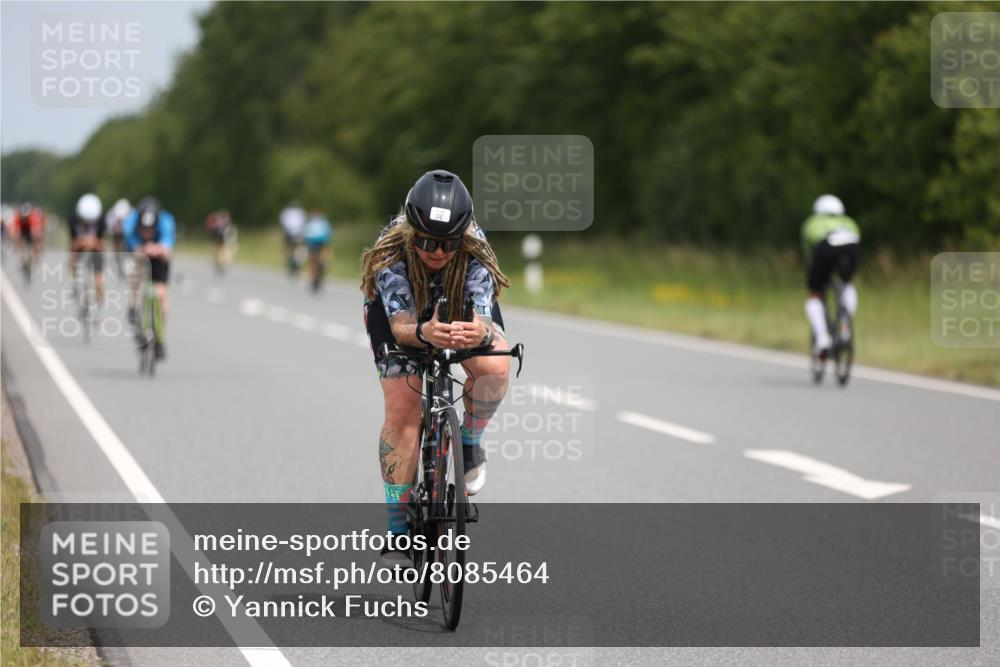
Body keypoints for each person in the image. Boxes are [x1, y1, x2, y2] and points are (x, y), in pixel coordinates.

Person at [360, 169, 511, 563]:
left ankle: (470, 441)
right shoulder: (392, 250)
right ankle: (397, 525)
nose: (438, 252)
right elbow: (401, 325)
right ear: (412, 231)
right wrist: (425, 334)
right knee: (403, 407)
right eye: (427, 241)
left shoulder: (473, 247)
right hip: (400, 313)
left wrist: (475, 334)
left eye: (448, 243)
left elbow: (483, 317)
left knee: (495, 367)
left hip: (457, 299)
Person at [801, 194, 860, 357]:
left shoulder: (813, 222)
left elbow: (809, 252)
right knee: (847, 285)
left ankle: (822, 339)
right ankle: (845, 327)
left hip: (826, 247)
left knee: (814, 294)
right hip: (851, 247)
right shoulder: (849, 222)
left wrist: (815, 276)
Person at [124, 197, 176, 361]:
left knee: (161, 294)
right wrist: (139, 248)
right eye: (143, 229)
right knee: (135, 278)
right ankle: (132, 308)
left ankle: (159, 338)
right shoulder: (131, 222)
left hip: (158, 256)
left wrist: (159, 248)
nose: (147, 232)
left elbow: (168, 246)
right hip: (140, 253)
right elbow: (129, 241)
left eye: (150, 229)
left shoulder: (166, 221)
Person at [68, 193, 107, 315]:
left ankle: (100, 303)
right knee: (73, 257)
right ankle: (74, 282)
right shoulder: (73, 220)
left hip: (95, 248)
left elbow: (102, 244)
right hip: (79, 246)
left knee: (98, 279)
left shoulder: (101, 221)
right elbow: (73, 243)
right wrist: (82, 242)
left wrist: (93, 242)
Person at [12, 202, 46, 276]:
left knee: (35, 240)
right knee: (19, 240)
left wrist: (36, 244)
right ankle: (21, 260)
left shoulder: (32, 218)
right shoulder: (18, 218)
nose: (25, 219)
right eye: (23, 217)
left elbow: (35, 231)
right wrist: (17, 244)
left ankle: (34, 258)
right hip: (22, 231)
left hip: (30, 231)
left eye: (26, 218)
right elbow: (16, 232)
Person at [303, 209, 332, 292]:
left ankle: (315, 274)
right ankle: (312, 277)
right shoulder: (322, 222)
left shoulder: (311, 222)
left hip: (317, 243)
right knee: (313, 261)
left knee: (315, 260)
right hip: (315, 243)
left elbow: (305, 234)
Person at [105, 198, 132, 274]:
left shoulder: (132, 214)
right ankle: (118, 264)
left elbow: (131, 229)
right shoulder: (111, 214)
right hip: (116, 235)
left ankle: (128, 263)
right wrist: (115, 228)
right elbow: (110, 229)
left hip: (127, 236)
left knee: (128, 248)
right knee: (117, 249)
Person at [279, 201, 306, 277]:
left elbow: (282, 223)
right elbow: (303, 223)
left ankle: (288, 261)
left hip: (289, 233)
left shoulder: (286, 212)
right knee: (298, 248)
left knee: (288, 248)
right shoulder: (301, 212)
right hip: (298, 233)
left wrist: (283, 232)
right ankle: (296, 261)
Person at [205, 208, 235, 274]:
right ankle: (223, 262)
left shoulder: (218, 221)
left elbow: (212, 231)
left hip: (219, 238)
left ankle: (221, 263)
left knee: (220, 251)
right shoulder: (226, 222)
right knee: (223, 250)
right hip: (222, 238)